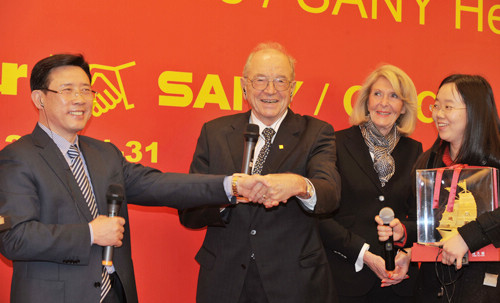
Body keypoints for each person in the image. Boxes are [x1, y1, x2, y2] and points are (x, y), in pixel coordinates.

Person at [0, 54, 288, 303]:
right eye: (67, 90)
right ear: (39, 98)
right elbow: (13, 238)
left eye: (86, 90)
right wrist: (89, 233)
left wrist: (232, 185)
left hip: (113, 293)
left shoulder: (105, 154)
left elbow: (159, 185)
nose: (79, 99)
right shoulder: (19, 156)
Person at [178, 42, 341, 303]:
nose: (270, 90)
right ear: (245, 85)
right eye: (261, 80)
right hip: (224, 281)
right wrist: (227, 195)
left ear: (293, 88)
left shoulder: (316, 133)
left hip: (293, 284)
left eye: (280, 81)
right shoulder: (215, 133)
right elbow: (188, 212)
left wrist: (299, 185)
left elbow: (330, 194)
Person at [377, 74, 500, 302]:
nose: (437, 114)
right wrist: (405, 234)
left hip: (486, 287)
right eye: (436, 105)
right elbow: (430, 226)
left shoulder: (496, 161)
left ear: (475, 112)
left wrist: (467, 237)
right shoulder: (428, 161)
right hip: (436, 285)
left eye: (448, 106)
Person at [319, 65, 422, 302]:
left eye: (394, 96)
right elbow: (320, 215)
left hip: (398, 281)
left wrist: (406, 253)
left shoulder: (415, 150)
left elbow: (419, 216)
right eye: (378, 94)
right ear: (366, 101)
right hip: (347, 277)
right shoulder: (335, 143)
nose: (384, 103)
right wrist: (364, 254)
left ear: (404, 106)